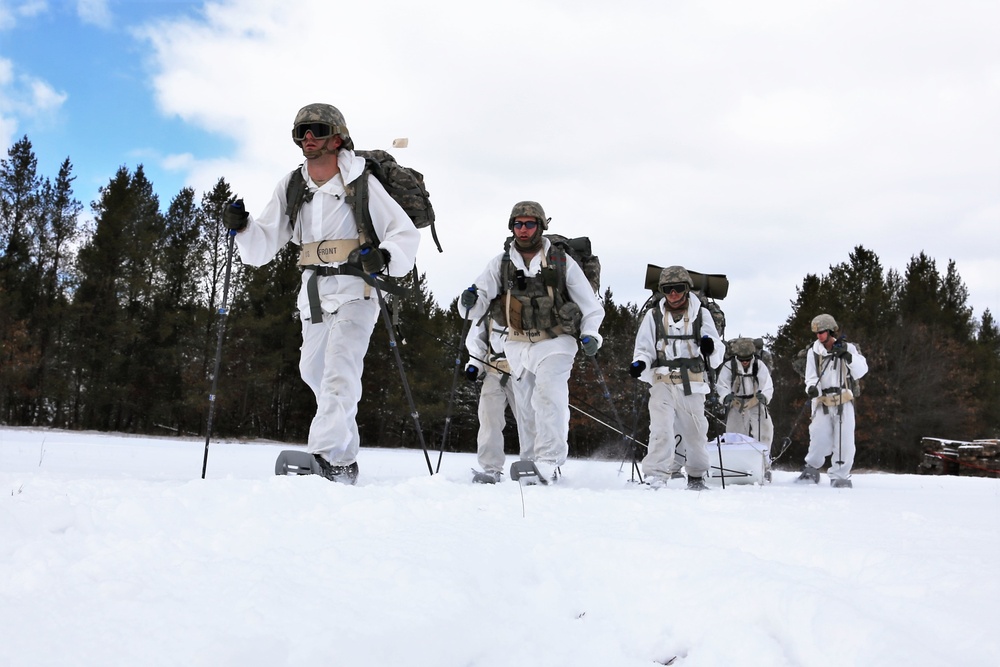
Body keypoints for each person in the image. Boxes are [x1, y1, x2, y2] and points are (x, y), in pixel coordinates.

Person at [223, 103, 420, 484]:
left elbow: (403, 232)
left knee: (339, 372)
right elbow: (265, 241)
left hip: (356, 289)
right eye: (301, 132)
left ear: (338, 136)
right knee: (312, 370)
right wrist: (243, 227)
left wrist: (384, 256)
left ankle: (325, 457)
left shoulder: (362, 182)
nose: (308, 138)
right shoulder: (293, 185)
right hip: (313, 290)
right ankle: (345, 459)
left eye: (316, 129)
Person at [460, 201, 604, 484]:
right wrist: (469, 301)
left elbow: (591, 306)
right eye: (518, 224)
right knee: (526, 407)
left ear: (541, 226)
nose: (523, 230)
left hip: (556, 342)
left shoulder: (562, 262)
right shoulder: (500, 263)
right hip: (517, 345)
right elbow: (476, 306)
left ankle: (549, 462)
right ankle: (530, 462)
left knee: (549, 395)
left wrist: (591, 334)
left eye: (529, 224)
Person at [629, 266, 725, 490]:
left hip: (692, 382)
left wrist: (709, 347)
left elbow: (715, 349)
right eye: (668, 289)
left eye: (678, 288)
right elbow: (644, 348)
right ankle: (655, 475)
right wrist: (640, 364)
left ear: (687, 289)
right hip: (662, 380)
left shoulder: (701, 314)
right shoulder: (653, 316)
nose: (673, 294)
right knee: (661, 428)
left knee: (696, 431)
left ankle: (697, 475)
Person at [796, 314, 868, 488]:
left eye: (822, 332)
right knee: (819, 438)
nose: (819, 336)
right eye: (817, 333)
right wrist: (812, 388)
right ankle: (811, 467)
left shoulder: (848, 348)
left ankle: (840, 475)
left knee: (845, 441)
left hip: (844, 399)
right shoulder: (813, 353)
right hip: (822, 400)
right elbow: (810, 377)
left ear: (830, 331)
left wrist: (848, 357)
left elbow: (862, 370)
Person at [463, 316, 529, 483]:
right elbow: (477, 339)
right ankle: (491, 469)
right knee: (489, 419)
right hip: (493, 370)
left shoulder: (526, 301)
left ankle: (535, 464)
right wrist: (474, 364)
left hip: (522, 370)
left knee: (528, 419)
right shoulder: (489, 306)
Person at [717, 337, 774, 478]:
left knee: (764, 433)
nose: (745, 362)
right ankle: (735, 465)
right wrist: (725, 397)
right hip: (736, 404)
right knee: (734, 436)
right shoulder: (729, 366)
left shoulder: (759, 365)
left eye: (747, 359)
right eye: (742, 359)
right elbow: (721, 384)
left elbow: (767, 384)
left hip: (755, 402)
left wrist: (764, 396)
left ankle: (763, 465)